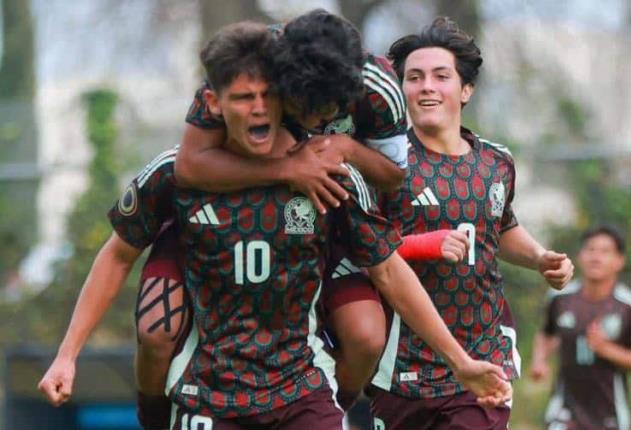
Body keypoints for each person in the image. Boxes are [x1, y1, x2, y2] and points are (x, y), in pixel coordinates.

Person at [38, 21, 510, 429]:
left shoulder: (338, 166)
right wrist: (66, 355)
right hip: (211, 389)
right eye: (245, 99)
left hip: (296, 384)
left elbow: (389, 257)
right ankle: (156, 415)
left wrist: (461, 362)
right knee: (157, 327)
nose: (259, 107)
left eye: (267, 98)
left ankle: (330, 407)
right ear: (217, 103)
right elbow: (137, 228)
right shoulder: (183, 160)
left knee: (366, 333)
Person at [338, 17, 574, 430]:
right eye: (414, 77)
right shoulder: (382, 167)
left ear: (466, 90)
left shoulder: (496, 162)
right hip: (401, 366)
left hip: (483, 356)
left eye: (440, 76)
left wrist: (539, 257)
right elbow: (360, 250)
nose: (426, 86)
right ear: (401, 91)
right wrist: (421, 244)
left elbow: (499, 229)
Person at [530, 226, 631, 430]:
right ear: (580, 256)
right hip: (564, 410)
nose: (596, 257)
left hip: (610, 414)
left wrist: (606, 349)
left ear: (620, 261)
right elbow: (546, 333)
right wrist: (539, 360)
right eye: (590, 250)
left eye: (605, 251)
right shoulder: (559, 298)